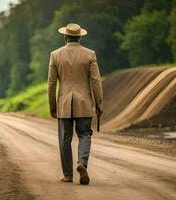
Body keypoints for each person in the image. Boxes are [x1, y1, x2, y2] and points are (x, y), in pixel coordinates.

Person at [47, 23, 103, 185]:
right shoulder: (90, 54)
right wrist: (99, 103)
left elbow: (51, 84)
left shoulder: (55, 55)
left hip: (64, 104)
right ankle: (82, 163)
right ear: (79, 37)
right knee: (85, 134)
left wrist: (52, 106)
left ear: (65, 36)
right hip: (84, 103)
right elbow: (96, 81)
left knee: (64, 139)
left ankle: (68, 175)